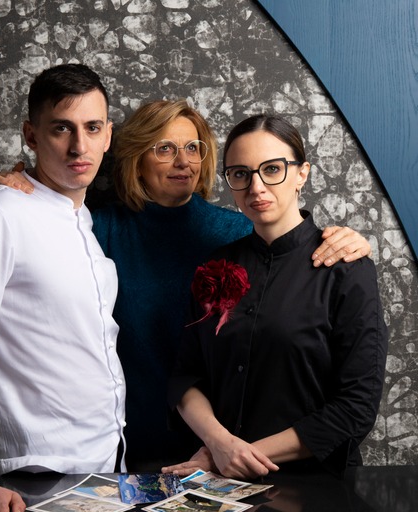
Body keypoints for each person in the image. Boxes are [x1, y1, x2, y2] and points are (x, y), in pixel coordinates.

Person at [0, 100, 372, 471]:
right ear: (137, 159)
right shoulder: (96, 228)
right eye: (165, 149)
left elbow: (289, 251)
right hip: (132, 432)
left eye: (192, 148)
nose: (183, 161)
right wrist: (20, 193)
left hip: (231, 444)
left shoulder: (238, 230)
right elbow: (42, 249)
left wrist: (351, 242)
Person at [0, 63, 126, 512]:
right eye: (61, 129)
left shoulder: (84, 221)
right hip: (32, 476)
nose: (79, 146)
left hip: (107, 469)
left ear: (108, 135)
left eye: (92, 128)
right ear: (31, 135)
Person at [162, 114, 388, 480]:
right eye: (240, 173)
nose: (256, 187)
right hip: (220, 481)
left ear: (302, 173)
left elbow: (356, 407)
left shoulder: (347, 269)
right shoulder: (214, 266)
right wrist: (219, 442)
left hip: (313, 484)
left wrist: (237, 454)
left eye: (272, 169)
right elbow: (186, 377)